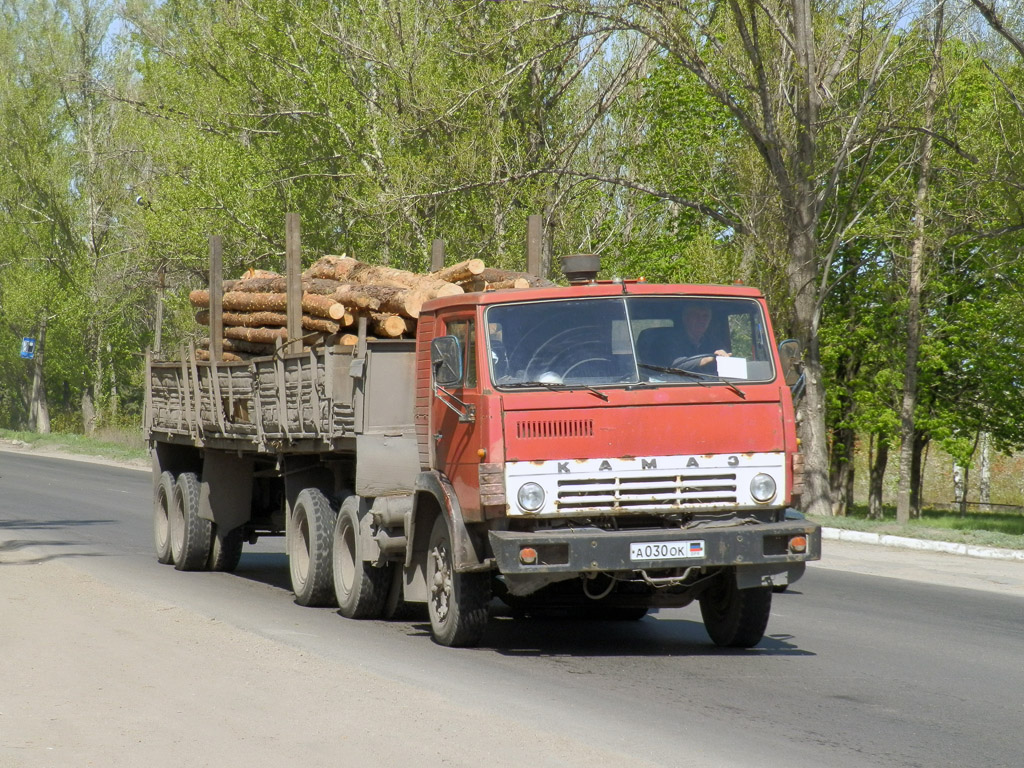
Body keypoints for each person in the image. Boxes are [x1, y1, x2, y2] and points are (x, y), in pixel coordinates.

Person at [672, 301, 731, 371]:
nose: (701, 320)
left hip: (712, 381)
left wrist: (725, 357)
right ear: (686, 318)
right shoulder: (670, 341)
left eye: (705, 316)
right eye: (696, 315)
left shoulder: (714, 342)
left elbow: (729, 363)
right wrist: (710, 359)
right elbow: (676, 365)